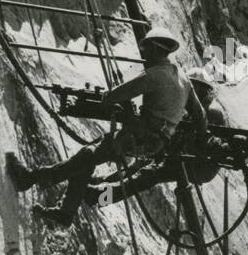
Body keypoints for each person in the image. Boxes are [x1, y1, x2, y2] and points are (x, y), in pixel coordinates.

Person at [6, 28, 207, 227]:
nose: (144, 56)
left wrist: (106, 102)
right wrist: (199, 138)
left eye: (145, 51)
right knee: (92, 160)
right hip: (154, 142)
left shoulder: (155, 75)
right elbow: (201, 117)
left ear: (155, 49)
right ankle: (68, 210)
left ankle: (34, 179)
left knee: (91, 158)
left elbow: (113, 96)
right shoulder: (183, 78)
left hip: (139, 138)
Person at [78, 68, 228, 207]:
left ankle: (99, 196)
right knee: (139, 166)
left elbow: (203, 142)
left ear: (205, 90)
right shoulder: (193, 108)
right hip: (186, 156)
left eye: (197, 89)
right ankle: (102, 183)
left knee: (148, 176)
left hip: (200, 165)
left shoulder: (212, 112)